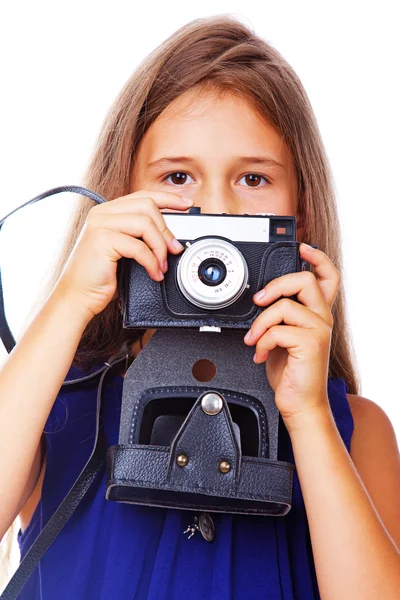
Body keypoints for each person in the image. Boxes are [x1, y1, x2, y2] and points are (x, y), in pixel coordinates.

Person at [1, 14, 400, 600]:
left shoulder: (353, 430)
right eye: (179, 176)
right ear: (123, 199)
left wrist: (308, 415)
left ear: (301, 214)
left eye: (254, 179)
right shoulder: (56, 409)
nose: (216, 211)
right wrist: (71, 302)